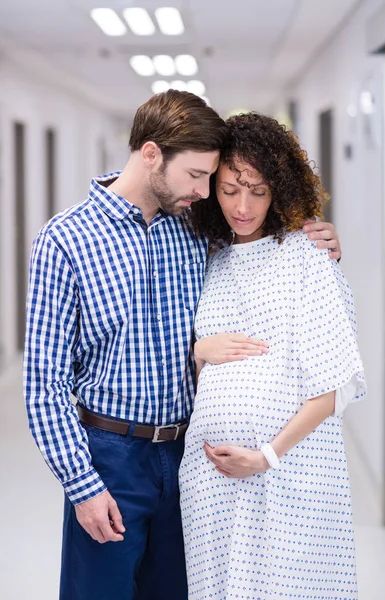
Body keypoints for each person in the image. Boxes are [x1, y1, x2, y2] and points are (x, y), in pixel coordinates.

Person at [23, 91, 341, 600]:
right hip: (110, 456)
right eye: (196, 176)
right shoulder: (65, 240)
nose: (203, 190)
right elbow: (44, 384)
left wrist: (318, 236)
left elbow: (256, 251)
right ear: (152, 154)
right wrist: (81, 484)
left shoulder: (196, 229)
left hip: (189, 455)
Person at [179, 112, 366, 600]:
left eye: (258, 191)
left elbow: (335, 384)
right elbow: (191, 357)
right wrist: (199, 350)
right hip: (211, 482)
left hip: (289, 476)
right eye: (228, 189)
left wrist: (266, 455)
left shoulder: (307, 256)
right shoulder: (210, 259)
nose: (242, 206)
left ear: (279, 189)